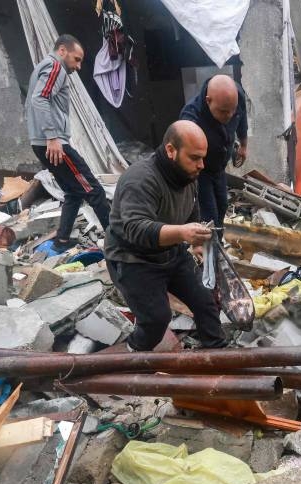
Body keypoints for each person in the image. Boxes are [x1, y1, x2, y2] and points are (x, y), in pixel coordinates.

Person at [104, 120, 227, 352]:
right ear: (171, 150)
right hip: (134, 259)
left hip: (172, 253)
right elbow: (136, 228)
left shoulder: (187, 174)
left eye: (203, 157)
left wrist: (198, 243)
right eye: (194, 158)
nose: (201, 165)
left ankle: (218, 355)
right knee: (156, 320)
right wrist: (182, 232)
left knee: (206, 302)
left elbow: (191, 210)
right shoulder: (140, 179)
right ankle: (135, 355)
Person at [27, 34, 112, 249]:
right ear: (62, 51)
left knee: (73, 192)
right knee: (94, 190)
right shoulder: (55, 67)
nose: (79, 66)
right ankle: (119, 243)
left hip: (41, 143)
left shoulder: (43, 67)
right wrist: (53, 136)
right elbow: (40, 99)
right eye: (77, 59)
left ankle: (62, 240)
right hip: (54, 144)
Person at [179, 75, 249, 235]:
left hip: (219, 167)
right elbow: (184, 155)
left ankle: (218, 242)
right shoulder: (191, 117)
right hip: (201, 171)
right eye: (224, 112)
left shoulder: (235, 96)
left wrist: (243, 145)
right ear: (208, 100)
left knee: (222, 205)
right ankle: (210, 251)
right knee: (209, 212)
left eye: (233, 110)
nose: (229, 115)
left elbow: (242, 117)